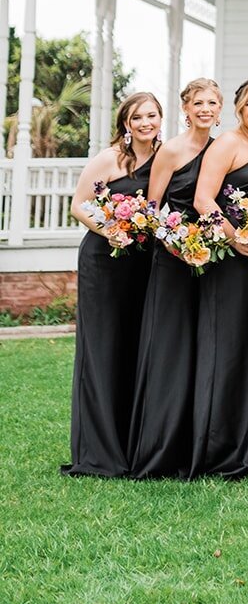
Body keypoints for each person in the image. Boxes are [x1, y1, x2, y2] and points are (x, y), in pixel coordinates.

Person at [64, 92, 162, 476]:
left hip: (143, 264)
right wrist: (111, 230)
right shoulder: (109, 159)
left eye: (152, 115)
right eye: (137, 117)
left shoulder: (163, 158)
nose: (145, 123)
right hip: (103, 263)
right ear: (126, 122)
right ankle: (99, 448)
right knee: (103, 348)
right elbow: (79, 205)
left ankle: (132, 441)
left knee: (134, 346)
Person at [127, 77, 222, 478]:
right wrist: (174, 244)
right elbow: (152, 208)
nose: (204, 109)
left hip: (212, 261)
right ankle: (161, 447)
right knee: (172, 348)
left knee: (205, 350)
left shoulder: (222, 150)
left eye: (212, 102)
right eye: (197, 102)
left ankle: (201, 441)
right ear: (185, 108)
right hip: (172, 260)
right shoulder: (171, 151)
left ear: (220, 109)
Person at [190, 77, 248, 478]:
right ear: (239, 109)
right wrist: (235, 237)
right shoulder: (227, 143)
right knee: (227, 348)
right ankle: (218, 446)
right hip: (230, 261)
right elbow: (202, 199)